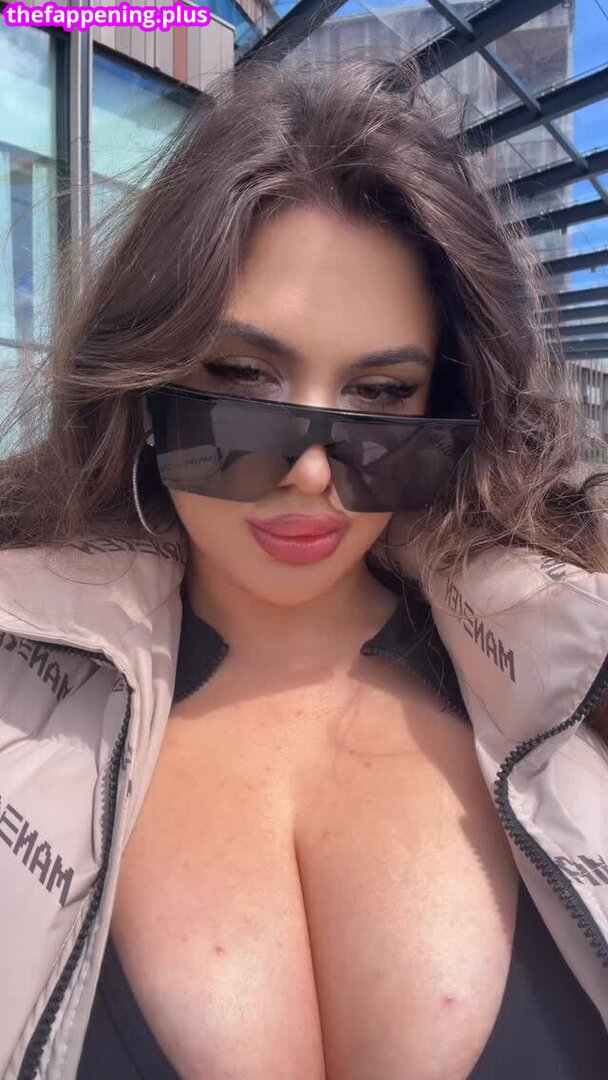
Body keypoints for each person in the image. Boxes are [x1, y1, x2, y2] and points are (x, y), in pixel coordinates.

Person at [0, 56, 606, 1080]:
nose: (313, 471)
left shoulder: (576, 672)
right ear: (145, 378)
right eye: (243, 380)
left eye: (380, 396)